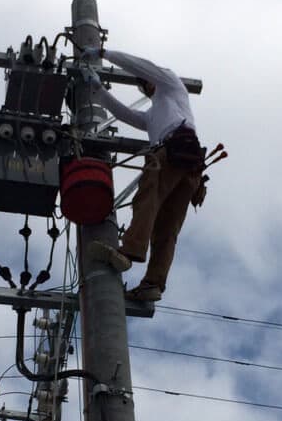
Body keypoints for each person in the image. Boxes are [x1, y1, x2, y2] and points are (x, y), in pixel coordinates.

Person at [86, 46, 206, 302]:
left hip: (172, 151)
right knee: (166, 227)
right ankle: (153, 284)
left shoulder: (171, 84)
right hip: (190, 166)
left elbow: (138, 64)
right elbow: (124, 114)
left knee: (146, 201)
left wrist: (104, 53)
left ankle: (128, 252)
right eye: (142, 84)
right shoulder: (153, 115)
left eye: (145, 80)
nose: (145, 85)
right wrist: (98, 91)